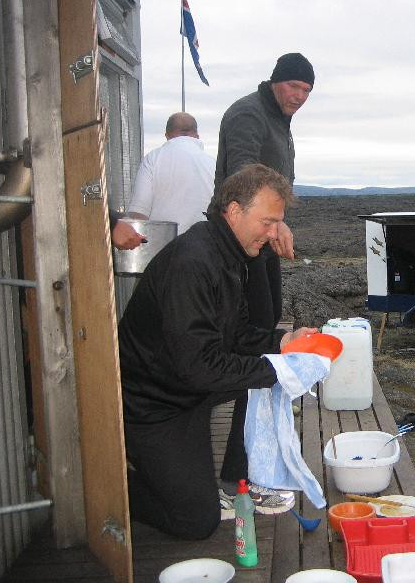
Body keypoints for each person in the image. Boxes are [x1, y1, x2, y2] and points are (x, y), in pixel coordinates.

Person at [118, 164, 317, 539]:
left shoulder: (229, 254)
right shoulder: (193, 263)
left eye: (278, 223)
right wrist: (277, 370)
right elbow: (199, 367)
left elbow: (235, 334)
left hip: (187, 391)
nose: (274, 234)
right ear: (235, 210)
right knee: (196, 521)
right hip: (151, 403)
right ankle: (112, 484)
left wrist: (282, 343)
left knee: (260, 381)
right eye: (268, 222)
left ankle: (230, 475)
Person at [211, 53, 314, 497]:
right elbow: (242, 175)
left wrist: (274, 224)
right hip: (242, 245)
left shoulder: (277, 119)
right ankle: (238, 476)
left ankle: (253, 464)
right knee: (255, 347)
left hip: (261, 242)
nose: (300, 96)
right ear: (275, 82)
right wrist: (275, 222)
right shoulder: (248, 114)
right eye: (294, 86)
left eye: (307, 91)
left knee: (268, 337)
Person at [126, 112, 215, 234]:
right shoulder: (213, 164)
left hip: (164, 243)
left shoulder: (153, 159)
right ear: (197, 136)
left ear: (167, 135)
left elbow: (139, 213)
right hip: (205, 242)